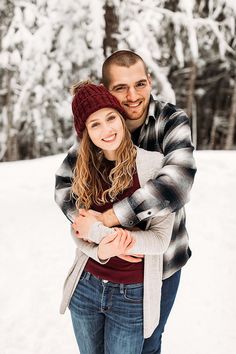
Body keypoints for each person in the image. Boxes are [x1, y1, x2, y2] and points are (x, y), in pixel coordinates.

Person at [55, 50, 197, 353]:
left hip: (164, 259)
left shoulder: (169, 122)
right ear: (106, 92)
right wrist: (93, 233)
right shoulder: (99, 130)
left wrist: (107, 220)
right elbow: (66, 186)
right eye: (121, 88)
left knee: (148, 344)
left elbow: (176, 186)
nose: (133, 96)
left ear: (149, 82)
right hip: (100, 271)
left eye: (140, 84)